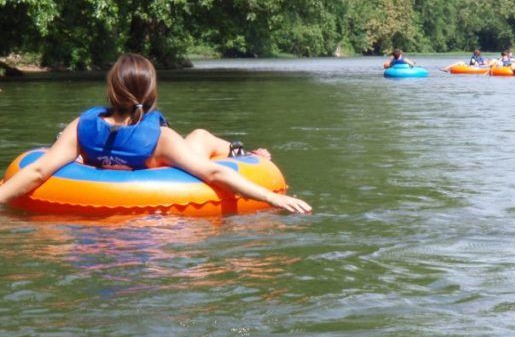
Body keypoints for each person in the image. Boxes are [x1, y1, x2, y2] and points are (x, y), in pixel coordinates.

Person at [0, 53, 312, 214]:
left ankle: (243, 153)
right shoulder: (161, 139)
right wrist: (271, 196)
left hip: (103, 171)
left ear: (111, 89)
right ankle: (245, 153)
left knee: (197, 140)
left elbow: (39, 170)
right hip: (166, 173)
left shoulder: (83, 127)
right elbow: (214, 173)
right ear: (151, 93)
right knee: (201, 137)